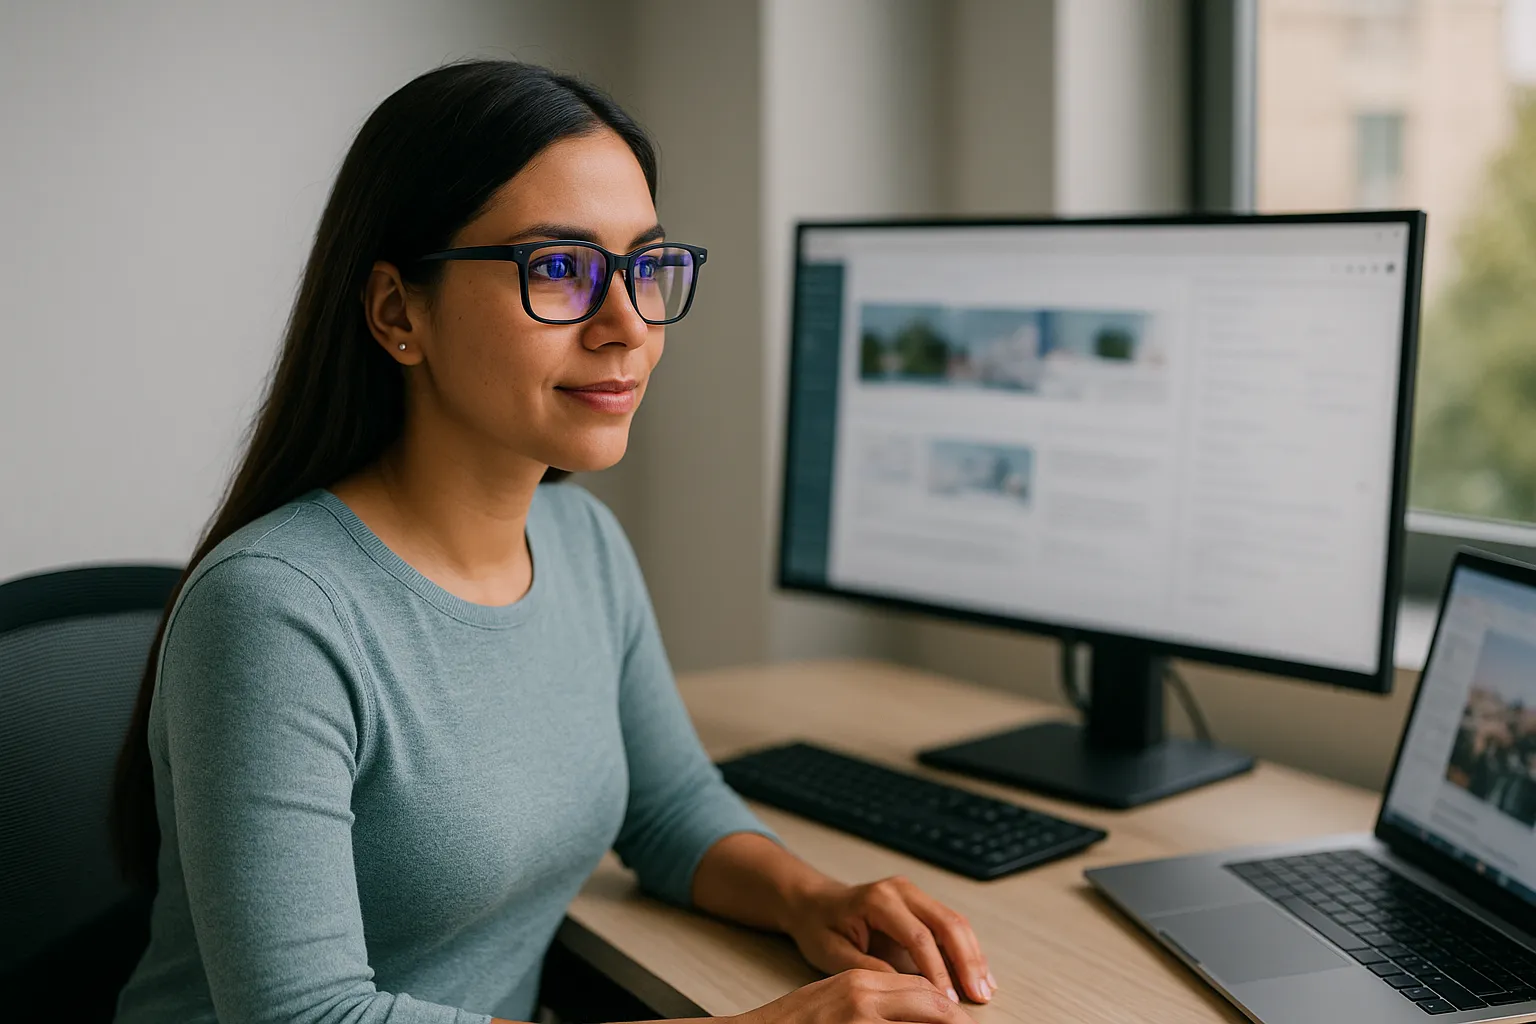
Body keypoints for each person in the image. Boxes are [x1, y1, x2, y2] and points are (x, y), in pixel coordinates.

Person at [108, 61, 995, 1024]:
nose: (627, 326)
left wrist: (813, 900)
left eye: (645, 266)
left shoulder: (582, 543)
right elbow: (305, 1018)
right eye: (560, 270)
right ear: (399, 312)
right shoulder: (275, 610)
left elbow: (668, 809)